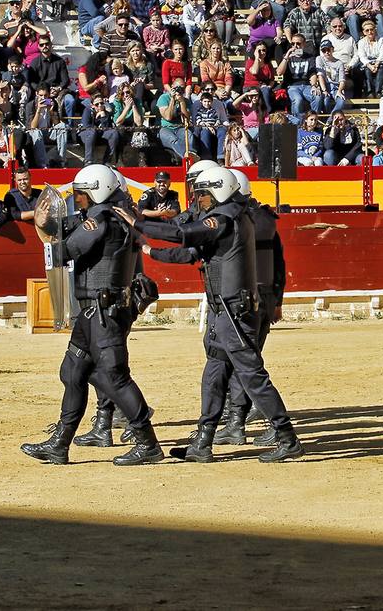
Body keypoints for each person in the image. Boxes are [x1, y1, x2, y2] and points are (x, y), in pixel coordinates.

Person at [126, 168, 303, 462]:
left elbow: (183, 234)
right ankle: (204, 440)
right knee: (215, 372)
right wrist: (150, 250)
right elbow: (191, 253)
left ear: (219, 191)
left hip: (234, 309)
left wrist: (139, 223)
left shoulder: (226, 216)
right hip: (224, 309)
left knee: (250, 374)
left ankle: (287, 437)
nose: (199, 199)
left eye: (204, 194)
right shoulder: (230, 216)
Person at [21, 164, 164, 466]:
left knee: (113, 377)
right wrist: (47, 222)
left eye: (81, 195)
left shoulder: (100, 220)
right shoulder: (107, 215)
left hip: (104, 312)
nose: (78, 200)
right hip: (92, 311)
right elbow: (66, 225)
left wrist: (47, 237)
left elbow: (65, 251)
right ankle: (60, 443)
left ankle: (147, 442)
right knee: (72, 371)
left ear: (96, 192)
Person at [215, 169, 288, 447]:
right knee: (246, 361)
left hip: (244, 299)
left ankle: (247, 422)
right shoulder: (265, 219)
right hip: (265, 296)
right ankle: (237, 420)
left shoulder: (236, 220)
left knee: (245, 363)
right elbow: (279, 263)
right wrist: (278, 300)